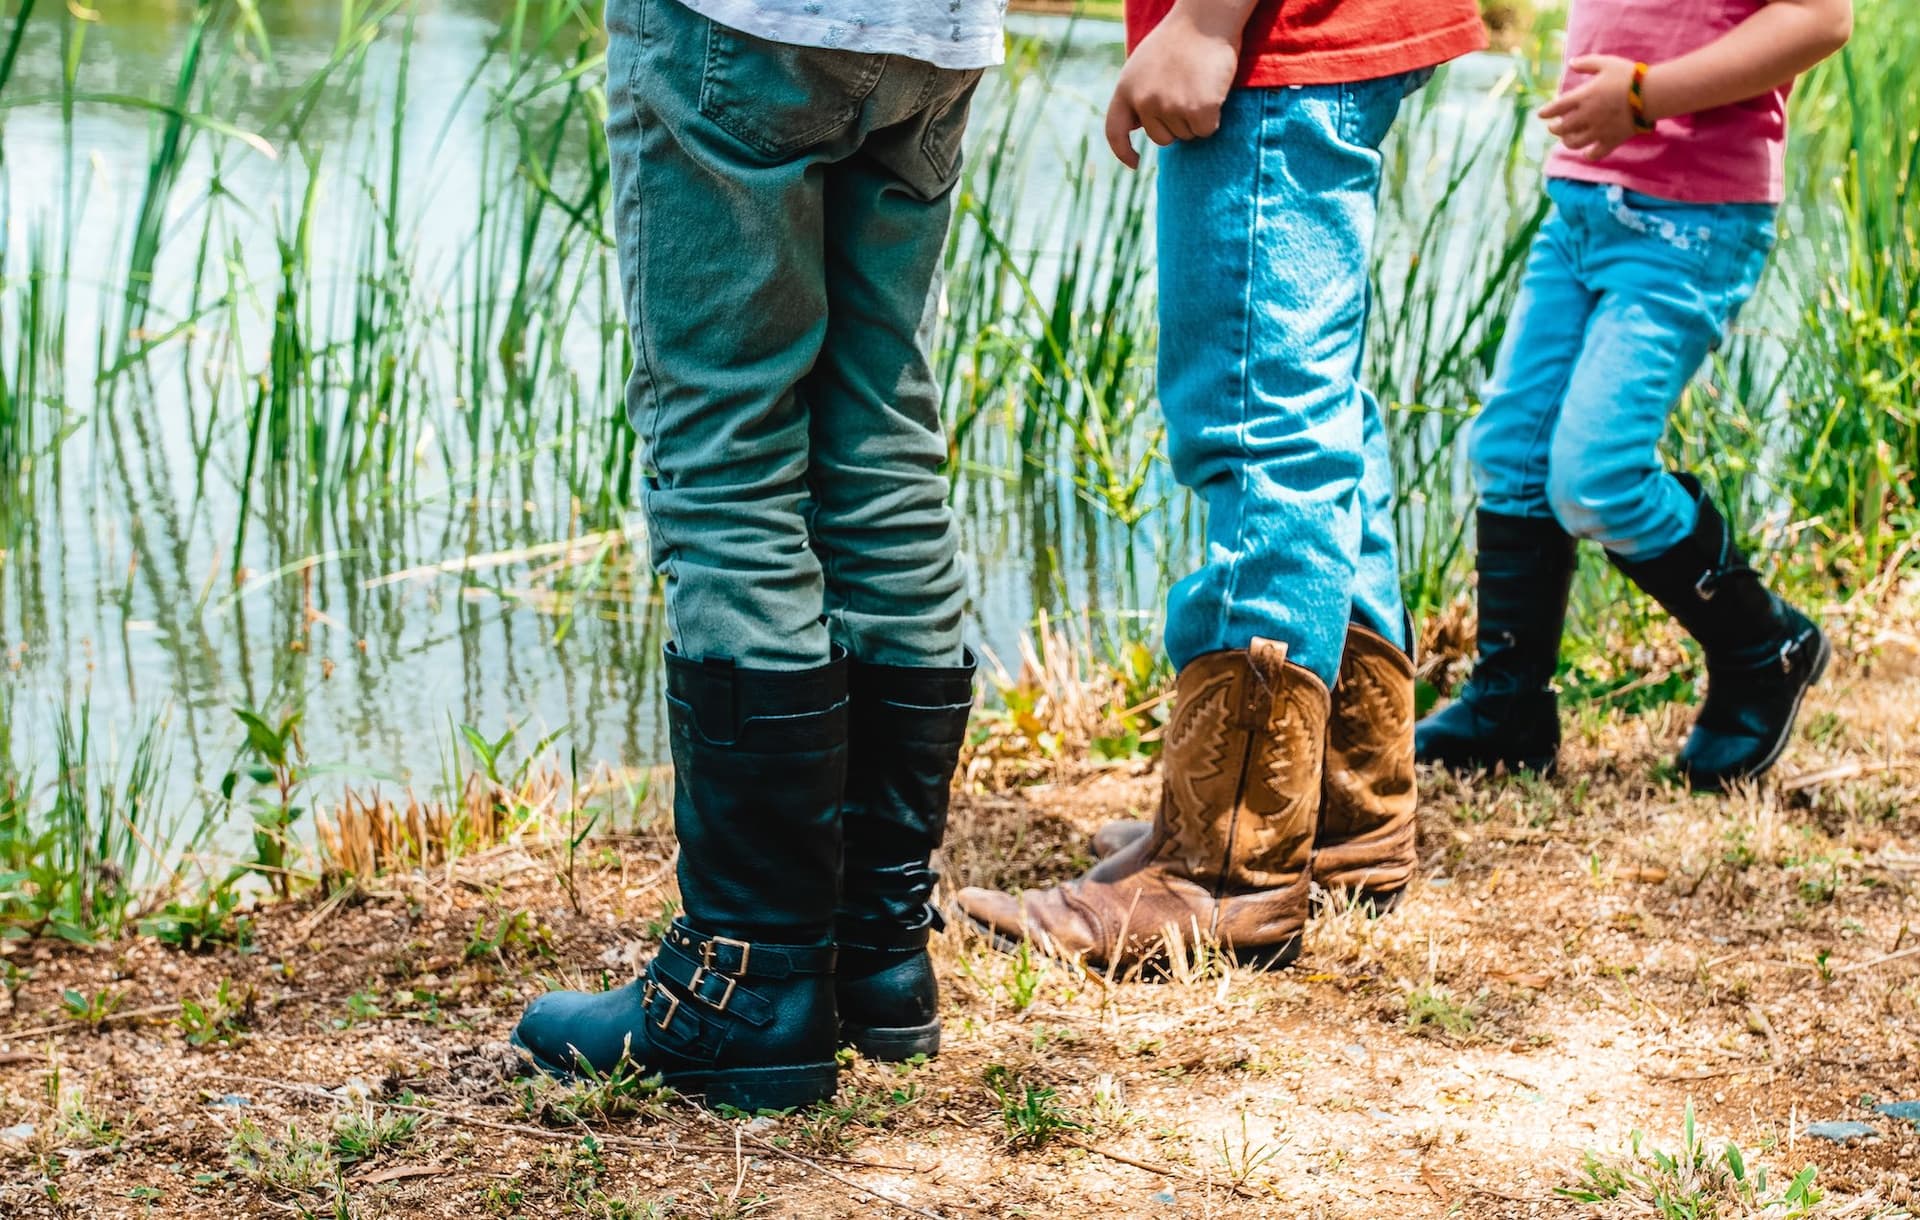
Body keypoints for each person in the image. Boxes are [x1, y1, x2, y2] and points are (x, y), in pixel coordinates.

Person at [511, 0, 1004, 1110]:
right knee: (879, 436)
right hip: (937, 33)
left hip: (744, 24)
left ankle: (752, 979)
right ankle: (874, 952)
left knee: (726, 450)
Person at [957, 0, 1487, 971]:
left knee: (1260, 417)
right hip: (1322, 33)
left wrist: (1205, 20)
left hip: (1276, 39)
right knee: (1311, 407)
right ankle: (1339, 806)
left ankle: (1225, 866)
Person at [1415, 0, 1851, 791]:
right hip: (1581, 207)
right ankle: (1510, 703)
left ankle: (1764, 646)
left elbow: (1820, 19)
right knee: (1510, 450)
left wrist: (1646, 94)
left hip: (1692, 220)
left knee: (1597, 475)